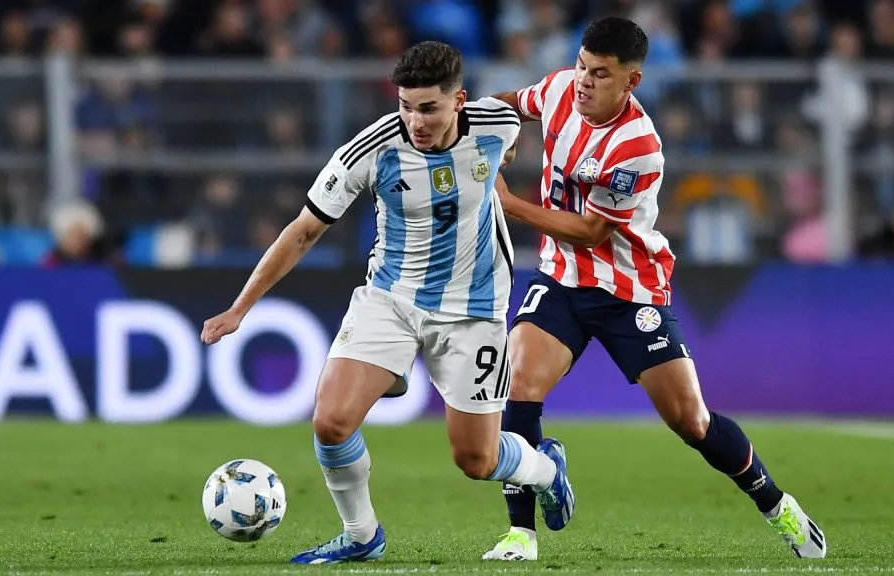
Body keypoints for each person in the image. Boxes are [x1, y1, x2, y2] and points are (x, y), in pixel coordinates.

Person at [200, 41, 574, 565]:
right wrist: (240, 308)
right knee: (330, 421)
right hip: (391, 299)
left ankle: (546, 470)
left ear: (459, 101)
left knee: (476, 459)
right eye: (404, 105)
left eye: (428, 108)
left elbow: (534, 108)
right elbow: (303, 232)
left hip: (475, 309)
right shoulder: (369, 151)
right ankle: (361, 535)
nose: (414, 121)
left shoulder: (496, 124)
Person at [482, 17, 827, 561]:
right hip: (562, 280)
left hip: (630, 291)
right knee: (519, 383)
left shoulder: (638, 146)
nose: (583, 82)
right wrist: (473, 119)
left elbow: (593, 231)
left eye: (599, 74)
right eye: (581, 67)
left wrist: (509, 203)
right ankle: (520, 533)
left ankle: (775, 503)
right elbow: (508, 103)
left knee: (692, 421)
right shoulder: (556, 90)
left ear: (632, 81)